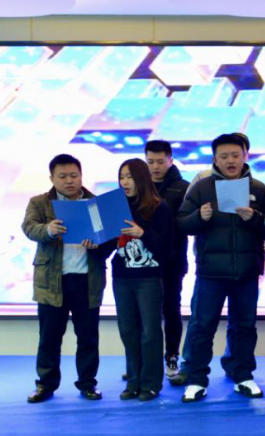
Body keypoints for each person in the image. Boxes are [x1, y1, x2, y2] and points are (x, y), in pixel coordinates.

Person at [175, 133, 265, 402]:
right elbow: (181, 222)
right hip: (211, 273)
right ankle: (196, 379)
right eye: (224, 156)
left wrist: (255, 218)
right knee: (202, 326)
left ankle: (243, 375)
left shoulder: (259, 189)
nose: (231, 161)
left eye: (235, 155)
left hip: (247, 272)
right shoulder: (201, 187)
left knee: (244, 327)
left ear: (245, 156)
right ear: (215, 159)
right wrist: (199, 217)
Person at [22, 154, 112, 403]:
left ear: (81, 176)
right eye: (62, 176)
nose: (69, 181)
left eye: (74, 175)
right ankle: (45, 385)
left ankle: (87, 384)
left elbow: (110, 240)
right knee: (49, 338)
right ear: (52, 178)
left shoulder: (96, 204)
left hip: (87, 281)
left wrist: (98, 243)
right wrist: (48, 230)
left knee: (88, 337)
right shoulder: (39, 203)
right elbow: (28, 227)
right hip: (52, 282)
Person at [113, 158, 173, 401]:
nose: (125, 182)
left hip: (148, 277)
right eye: (121, 177)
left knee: (150, 332)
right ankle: (133, 381)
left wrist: (143, 233)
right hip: (121, 276)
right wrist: (93, 242)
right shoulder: (115, 208)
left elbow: (167, 248)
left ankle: (150, 383)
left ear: (141, 179)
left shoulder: (159, 207)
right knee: (128, 330)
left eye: (129, 177)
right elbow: (108, 243)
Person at [145, 140, 190, 379]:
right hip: (141, 262)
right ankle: (143, 361)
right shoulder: (138, 186)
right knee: (144, 313)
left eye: (160, 162)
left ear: (171, 160)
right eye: (150, 162)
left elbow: (186, 224)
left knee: (171, 309)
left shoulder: (183, 188)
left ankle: (172, 356)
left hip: (172, 261)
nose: (155, 167)